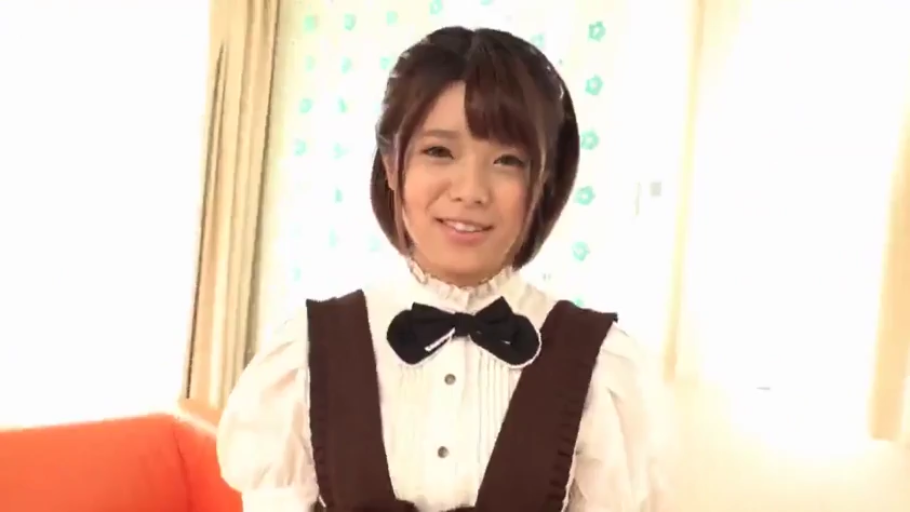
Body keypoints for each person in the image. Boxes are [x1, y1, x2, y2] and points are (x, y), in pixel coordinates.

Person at [216, 26, 670, 512]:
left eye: (507, 161)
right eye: (439, 152)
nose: (470, 191)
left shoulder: (601, 365)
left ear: (542, 182)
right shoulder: (307, 353)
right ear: (392, 165)